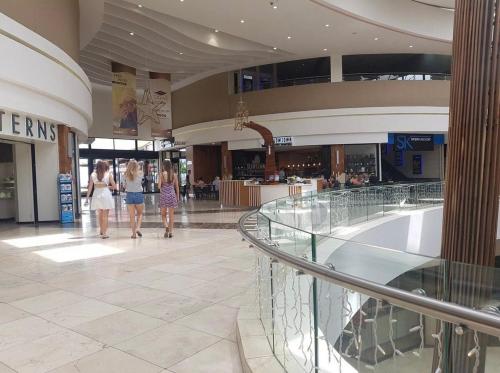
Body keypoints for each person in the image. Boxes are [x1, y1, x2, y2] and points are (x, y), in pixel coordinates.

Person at [87, 160, 117, 239]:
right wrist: (108, 186)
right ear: (104, 167)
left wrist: (87, 198)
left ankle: (101, 230)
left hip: (96, 195)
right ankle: (104, 233)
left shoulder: (93, 174)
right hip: (105, 194)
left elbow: (90, 187)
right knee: (105, 215)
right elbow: (114, 186)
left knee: (99, 214)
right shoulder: (108, 174)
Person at [159, 159, 180, 238]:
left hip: (164, 195)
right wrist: (177, 197)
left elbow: (159, 186)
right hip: (172, 195)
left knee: (163, 215)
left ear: (164, 166)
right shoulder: (174, 175)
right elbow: (177, 187)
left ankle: (166, 227)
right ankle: (171, 232)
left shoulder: (161, 174)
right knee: (171, 216)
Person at [124, 159, 144, 239]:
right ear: (136, 166)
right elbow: (139, 169)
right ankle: (138, 228)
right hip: (138, 194)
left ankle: (133, 234)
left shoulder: (125, 174)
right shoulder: (140, 173)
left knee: (132, 216)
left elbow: (125, 186)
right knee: (140, 214)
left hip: (129, 195)